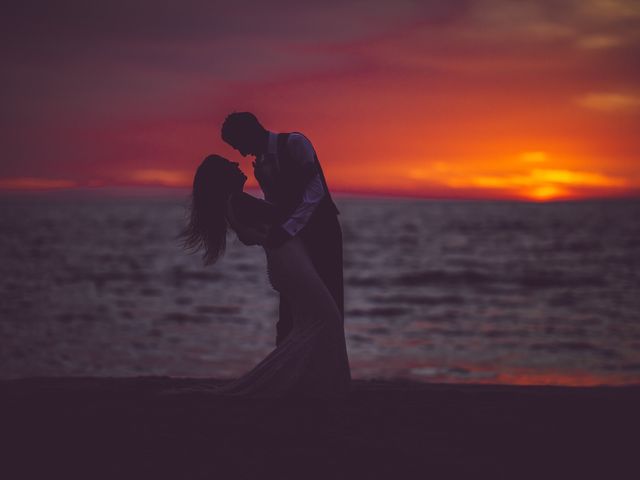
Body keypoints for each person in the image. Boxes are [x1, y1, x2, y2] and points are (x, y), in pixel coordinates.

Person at [178, 155, 350, 397]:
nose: (238, 165)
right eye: (231, 165)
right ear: (223, 177)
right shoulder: (236, 201)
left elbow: (265, 226)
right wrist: (271, 180)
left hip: (287, 263)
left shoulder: (234, 204)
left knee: (308, 325)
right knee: (326, 319)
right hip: (290, 263)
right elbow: (285, 216)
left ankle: (306, 380)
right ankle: (307, 381)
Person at [221, 112, 344, 347]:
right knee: (291, 302)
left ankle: (327, 359)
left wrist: (288, 229)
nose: (242, 153)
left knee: (329, 298)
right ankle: (289, 359)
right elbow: (276, 204)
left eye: (239, 145)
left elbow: (315, 192)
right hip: (292, 238)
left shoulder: (296, 143)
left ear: (251, 132)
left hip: (323, 231)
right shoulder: (260, 165)